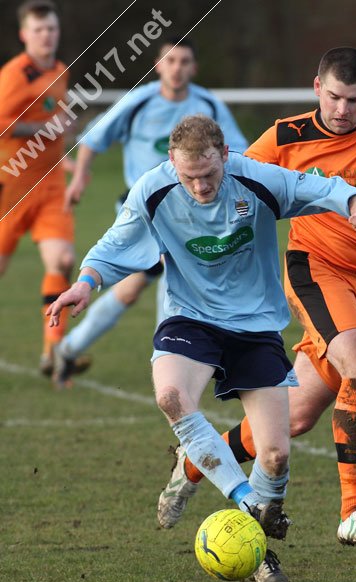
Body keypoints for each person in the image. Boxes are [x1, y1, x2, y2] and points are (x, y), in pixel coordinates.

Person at [47, 114, 356, 582]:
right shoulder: (153, 189)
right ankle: (253, 521)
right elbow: (113, 244)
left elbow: (316, 185)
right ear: (172, 164)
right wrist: (86, 283)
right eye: (189, 177)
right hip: (191, 318)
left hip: (257, 325)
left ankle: (195, 472)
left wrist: (354, 200)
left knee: (277, 456)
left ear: (225, 156)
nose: (200, 186)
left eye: (209, 174)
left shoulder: (255, 178)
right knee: (171, 398)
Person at [156, 48, 356, 566]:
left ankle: (196, 463)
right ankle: (355, 511)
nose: (342, 109)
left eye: (354, 99)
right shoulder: (288, 136)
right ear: (317, 87)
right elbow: (233, 176)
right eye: (334, 96)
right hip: (311, 270)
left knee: (294, 417)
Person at [52, 36, 249, 388]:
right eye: (170, 61)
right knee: (172, 277)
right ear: (159, 66)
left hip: (192, 213)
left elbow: (242, 151)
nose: (177, 68)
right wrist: (80, 178)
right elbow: (94, 139)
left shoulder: (207, 105)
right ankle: (171, 364)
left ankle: (69, 350)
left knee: (132, 290)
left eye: (184, 61)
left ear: (194, 67)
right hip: (142, 210)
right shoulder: (139, 101)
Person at [0, 0, 79, 376]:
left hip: (50, 188)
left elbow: (58, 124)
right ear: (24, 35)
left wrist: (69, 159)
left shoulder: (61, 71)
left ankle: (54, 351)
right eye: (39, 30)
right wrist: (47, 129)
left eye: (51, 28)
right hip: (11, 186)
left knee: (62, 261)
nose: (47, 35)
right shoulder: (15, 75)